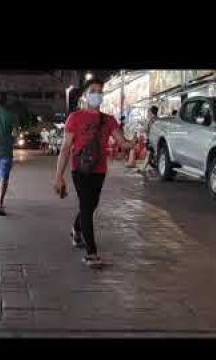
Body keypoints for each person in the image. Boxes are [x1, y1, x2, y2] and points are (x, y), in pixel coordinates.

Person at [53, 78, 133, 268]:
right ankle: (91, 253)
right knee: (87, 207)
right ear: (86, 96)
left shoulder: (108, 120)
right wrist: (58, 176)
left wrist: (133, 144)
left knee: (91, 205)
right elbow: (65, 148)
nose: (97, 94)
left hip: (99, 170)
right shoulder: (75, 117)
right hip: (79, 169)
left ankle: (76, 228)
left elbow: (121, 142)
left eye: (100, 91)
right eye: (93, 91)